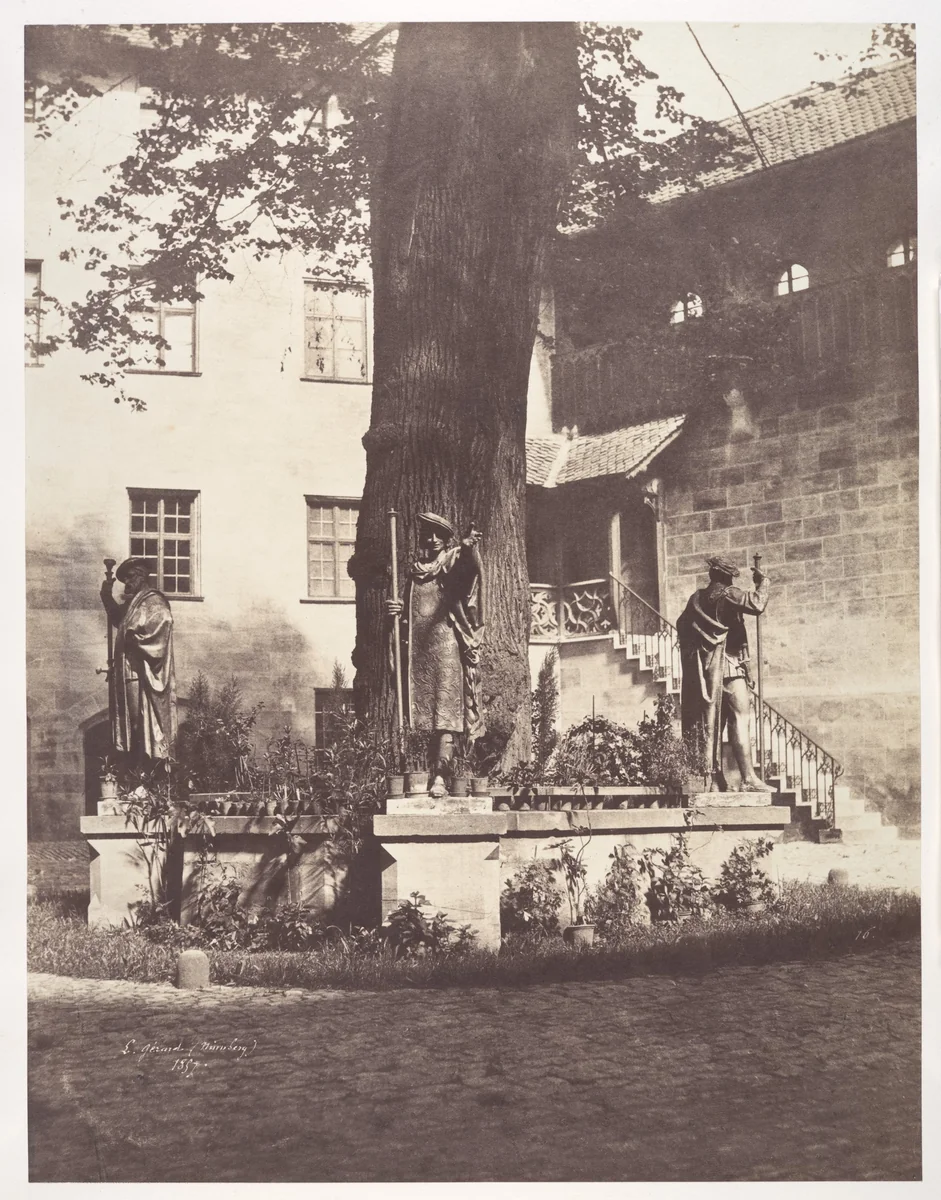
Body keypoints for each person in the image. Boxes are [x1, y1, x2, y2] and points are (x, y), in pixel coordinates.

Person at [385, 513, 485, 797]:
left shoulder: (452, 560)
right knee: (418, 714)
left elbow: (468, 572)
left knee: (445, 712)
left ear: (446, 540)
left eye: (437, 535)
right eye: (427, 534)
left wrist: (467, 548)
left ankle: (440, 776)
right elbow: (409, 613)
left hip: (445, 648)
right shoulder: (414, 572)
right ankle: (416, 775)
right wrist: (397, 610)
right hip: (417, 652)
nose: (431, 540)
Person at [676, 555, 772, 793]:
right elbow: (757, 604)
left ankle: (716, 778)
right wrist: (764, 582)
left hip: (707, 670)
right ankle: (748, 778)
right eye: (729, 577)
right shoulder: (729, 594)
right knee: (740, 719)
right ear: (724, 576)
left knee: (712, 724)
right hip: (728, 666)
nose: (730, 580)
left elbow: (682, 626)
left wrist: (701, 651)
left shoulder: (695, 599)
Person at [100, 557, 177, 766]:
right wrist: (106, 595)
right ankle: (137, 773)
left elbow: (163, 623)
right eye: (124, 580)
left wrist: (135, 637)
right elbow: (120, 620)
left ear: (142, 576)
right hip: (126, 672)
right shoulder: (134, 604)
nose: (127, 584)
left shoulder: (153, 601)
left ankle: (147, 774)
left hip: (139, 673)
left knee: (140, 723)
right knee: (130, 723)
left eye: (130, 578)